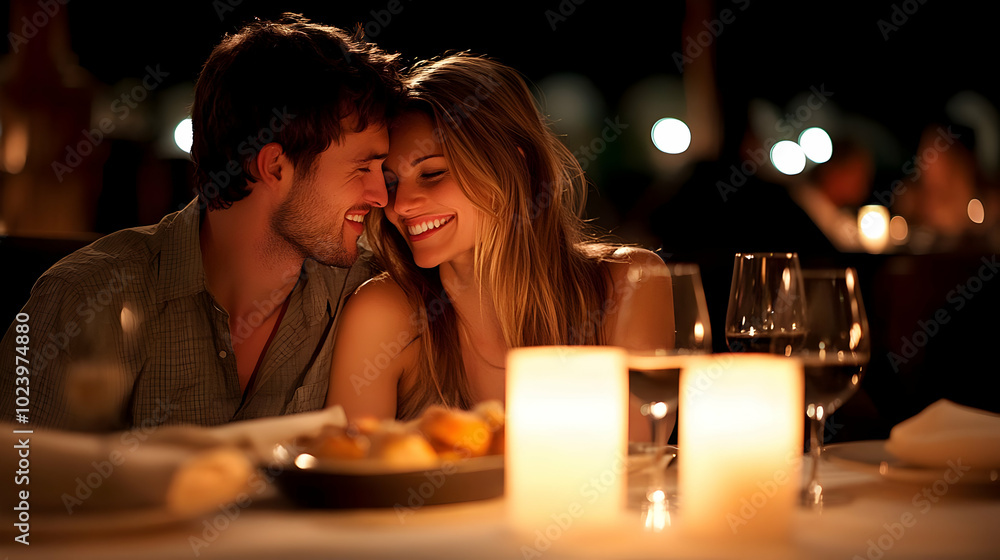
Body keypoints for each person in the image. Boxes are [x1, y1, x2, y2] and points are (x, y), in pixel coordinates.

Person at [0, 14, 403, 431]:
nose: (380, 195)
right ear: (275, 167)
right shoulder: (80, 299)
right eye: (363, 168)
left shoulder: (369, 295)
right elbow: (20, 483)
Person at [325, 53, 670, 439]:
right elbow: (349, 476)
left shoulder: (632, 284)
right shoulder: (382, 312)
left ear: (515, 167)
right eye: (390, 183)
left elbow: (636, 460)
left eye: (433, 173)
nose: (400, 205)